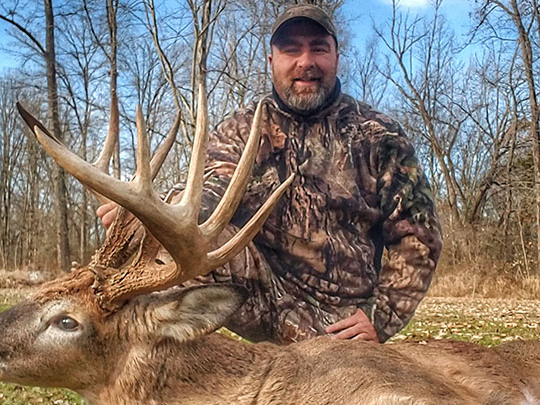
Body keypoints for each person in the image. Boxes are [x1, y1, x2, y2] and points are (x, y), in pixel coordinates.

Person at [97, 4, 442, 344]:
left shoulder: (379, 136)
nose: (305, 62)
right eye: (291, 50)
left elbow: (418, 234)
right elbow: (210, 189)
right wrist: (146, 216)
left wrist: (380, 318)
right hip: (262, 300)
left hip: (341, 325)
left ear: (336, 57)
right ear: (271, 61)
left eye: (318, 49)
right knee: (180, 244)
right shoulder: (242, 129)